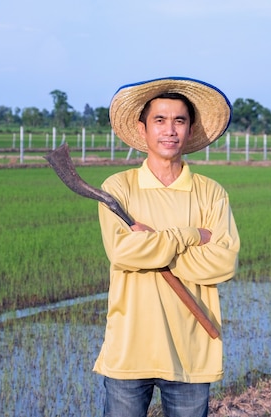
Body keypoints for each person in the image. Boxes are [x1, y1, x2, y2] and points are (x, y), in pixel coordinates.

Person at [93, 77, 241, 417]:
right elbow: (123, 253)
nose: (169, 130)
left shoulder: (210, 192)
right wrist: (189, 236)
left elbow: (223, 262)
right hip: (129, 349)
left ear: (189, 130)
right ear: (142, 128)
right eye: (159, 120)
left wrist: (153, 248)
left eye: (179, 120)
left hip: (192, 349)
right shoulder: (118, 187)